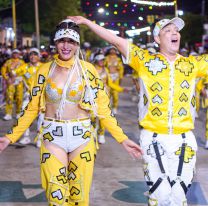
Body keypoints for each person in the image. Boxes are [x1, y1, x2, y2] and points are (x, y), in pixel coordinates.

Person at [67, 15, 208, 206]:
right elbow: (114, 39)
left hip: (184, 139)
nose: (174, 33)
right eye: (168, 30)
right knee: (160, 196)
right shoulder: (144, 60)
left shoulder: (192, 64)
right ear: (157, 39)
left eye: (176, 31)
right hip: (153, 138)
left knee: (179, 198)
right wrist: (87, 22)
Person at [0, 19, 142, 206]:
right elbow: (32, 108)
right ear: (55, 43)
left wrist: (123, 139)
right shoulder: (44, 71)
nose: (66, 46)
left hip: (81, 138)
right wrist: (10, 137)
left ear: (77, 44)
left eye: (71, 41)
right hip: (53, 137)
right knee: (56, 195)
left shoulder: (89, 71)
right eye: (62, 41)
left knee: (79, 196)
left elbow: (103, 110)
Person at [92, 51, 124, 144]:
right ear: (96, 60)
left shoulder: (106, 70)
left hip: (104, 98)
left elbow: (110, 83)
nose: (102, 62)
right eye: (100, 60)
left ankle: (101, 134)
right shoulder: (92, 70)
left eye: (103, 60)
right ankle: (93, 132)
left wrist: (121, 89)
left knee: (103, 117)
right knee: (93, 117)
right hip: (93, 98)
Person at [13, 48, 43, 146]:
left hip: (42, 97)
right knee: (23, 116)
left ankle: (39, 138)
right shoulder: (24, 67)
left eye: (35, 54)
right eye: (31, 54)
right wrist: (13, 68)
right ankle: (26, 137)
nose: (33, 56)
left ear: (39, 56)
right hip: (29, 97)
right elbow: (14, 73)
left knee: (41, 118)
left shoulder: (44, 67)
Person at [1, 49, 25, 120]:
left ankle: (18, 113)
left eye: (17, 53)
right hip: (10, 81)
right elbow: (3, 70)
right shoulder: (8, 62)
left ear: (19, 54)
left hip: (19, 81)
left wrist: (22, 78)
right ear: (12, 54)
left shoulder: (22, 62)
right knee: (9, 97)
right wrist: (7, 78)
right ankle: (8, 114)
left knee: (19, 98)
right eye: (14, 53)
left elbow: (25, 71)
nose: (16, 54)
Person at [104, 46, 124, 114]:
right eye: (111, 50)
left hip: (116, 78)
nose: (112, 51)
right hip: (108, 78)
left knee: (115, 95)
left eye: (114, 50)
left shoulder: (118, 59)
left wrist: (121, 77)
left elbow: (121, 69)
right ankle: (108, 108)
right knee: (107, 94)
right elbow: (103, 67)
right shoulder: (106, 59)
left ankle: (115, 107)